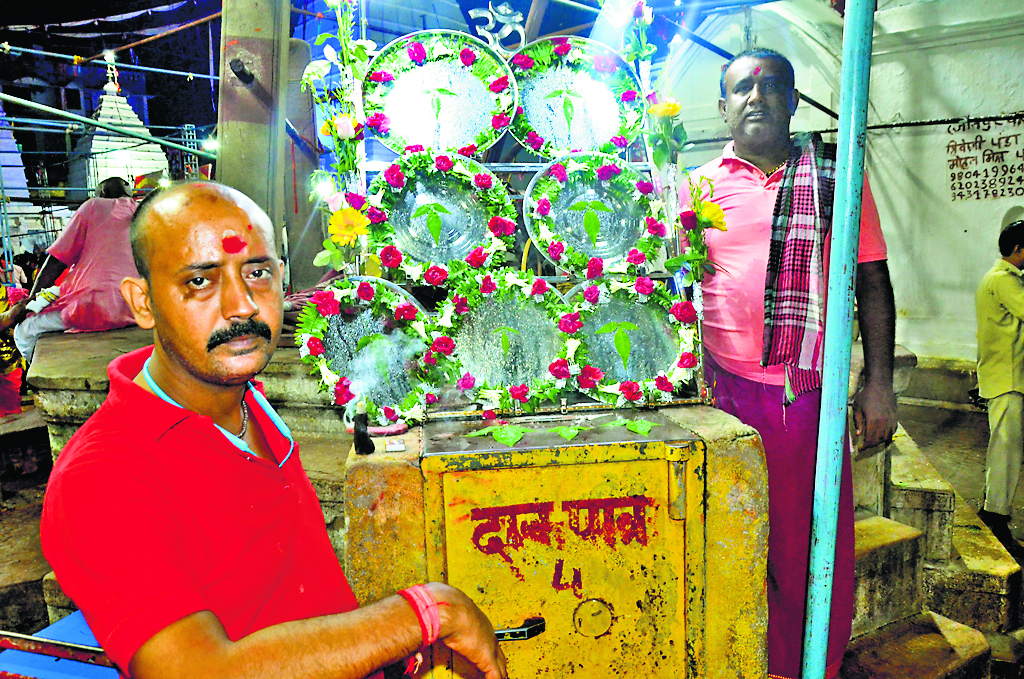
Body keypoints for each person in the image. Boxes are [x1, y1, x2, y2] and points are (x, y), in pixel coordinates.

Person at [40, 181, 506, 679]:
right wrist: (426, 613)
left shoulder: (246, 399)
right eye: (200, 281)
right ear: (143, 301)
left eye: (257, 272)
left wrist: (379, 651)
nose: (242, 305)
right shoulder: (103, 477)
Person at [685, 48, 897, 679]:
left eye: (772, 85)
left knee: (812, 550)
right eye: (742, 88)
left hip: (806, 398)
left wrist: (878, 383)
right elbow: (674, 286)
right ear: (723, 109)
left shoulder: (839, 177)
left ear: (795, 102)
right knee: (737, 543)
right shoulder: (695, 187)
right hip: (722, 398)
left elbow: (873, 281)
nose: (757, 96)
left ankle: (814, 667)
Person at [14, 176, 139, 364]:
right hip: (136, 305)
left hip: (92, 305)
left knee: (24, 331)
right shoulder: (144, 211)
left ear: (102, 193)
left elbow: (56, 261)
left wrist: (31, 301)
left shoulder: (93, 206)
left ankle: (42, 377)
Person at [975, 219, 1024, 559]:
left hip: (1008, 377)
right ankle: (995, 516)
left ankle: (996, 511)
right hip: (1006, 379)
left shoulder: (1001, 281)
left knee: (1007, 449)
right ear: (1019, 250)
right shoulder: (1003, 282)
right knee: (1005, 450)